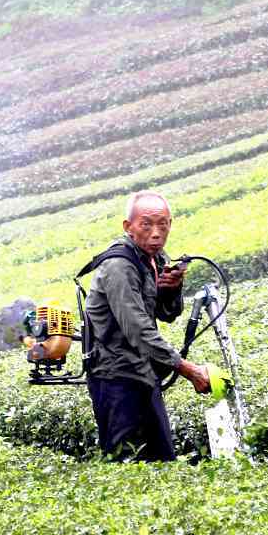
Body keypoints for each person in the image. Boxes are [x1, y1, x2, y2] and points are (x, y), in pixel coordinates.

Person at [80, 191, 213, 461]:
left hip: (142, 372)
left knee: (163, 459)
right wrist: (188, 370)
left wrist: (172, 289)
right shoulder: (119, 266)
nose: (156, 233)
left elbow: (167, 314)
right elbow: (138, 329)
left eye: (162, 224)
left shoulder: (154, 257)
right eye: (147, 224)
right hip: (115, 378)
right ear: (128, 227)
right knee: (127, 464)